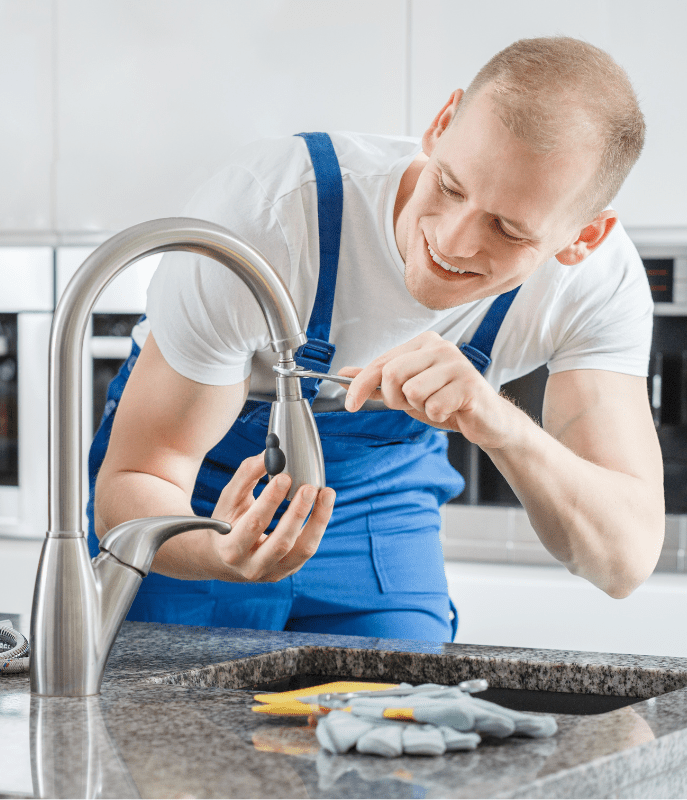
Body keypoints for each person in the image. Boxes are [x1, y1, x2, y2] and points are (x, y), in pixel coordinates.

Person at [86, 36, 664, 642]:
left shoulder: (595, 288)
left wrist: (498, 422)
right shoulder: (269, 215)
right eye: (450, 185)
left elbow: (623, 561)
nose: (452, 241)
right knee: (163, 719)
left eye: (509, 230)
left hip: (380, 502)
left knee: (403, 722)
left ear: (583, 238)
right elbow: (134, 480)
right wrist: (217, 553)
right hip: (204, 499)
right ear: (442, 124)